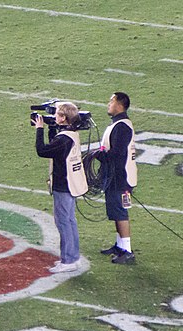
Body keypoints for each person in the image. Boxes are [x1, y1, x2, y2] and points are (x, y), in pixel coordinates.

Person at [34, 102, 88, 273]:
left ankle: (68, 260)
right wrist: (52, 129)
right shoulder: (71, 134)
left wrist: (39, 128)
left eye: (57, 114)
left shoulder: (64, 138)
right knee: (70, 221)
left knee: (63, 221)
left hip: (63, 184)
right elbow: (54, 148)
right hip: (71, 183)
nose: (54, 117)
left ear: (64, 118)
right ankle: (73, 257)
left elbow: (42, 151)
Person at [97, 92, 137, 264]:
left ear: (120, 104)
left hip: (120, 177)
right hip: (117, 176)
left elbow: (117, 154)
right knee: (116, 211)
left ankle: (127, 251)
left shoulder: (122, 126)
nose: (108, 104)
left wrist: (98, 155)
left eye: (111, 101)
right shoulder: (119, 124)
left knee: (120, 212)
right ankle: (120, 245)